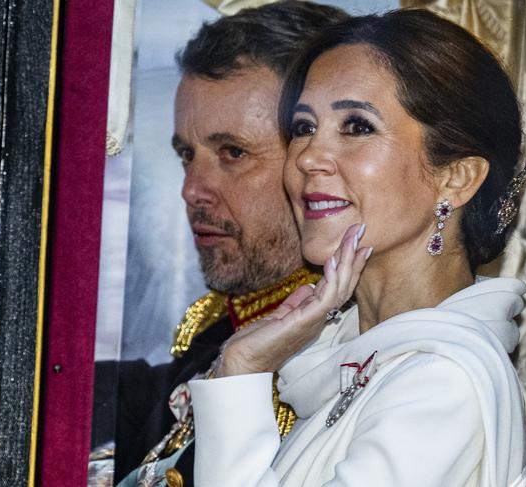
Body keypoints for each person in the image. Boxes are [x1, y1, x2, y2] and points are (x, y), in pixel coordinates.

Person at [190, 9, 526, 487]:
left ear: (456, 177)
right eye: (303, 126)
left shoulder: (440, 384)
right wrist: (244, 365)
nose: (308, 156)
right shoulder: (350, 360)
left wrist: (241, 374)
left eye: (356, 126)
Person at [107, 3, 349, 486]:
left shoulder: (356, 360)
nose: (192, 189)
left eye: (233, 153)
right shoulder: (209, 335)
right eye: (186, 155)